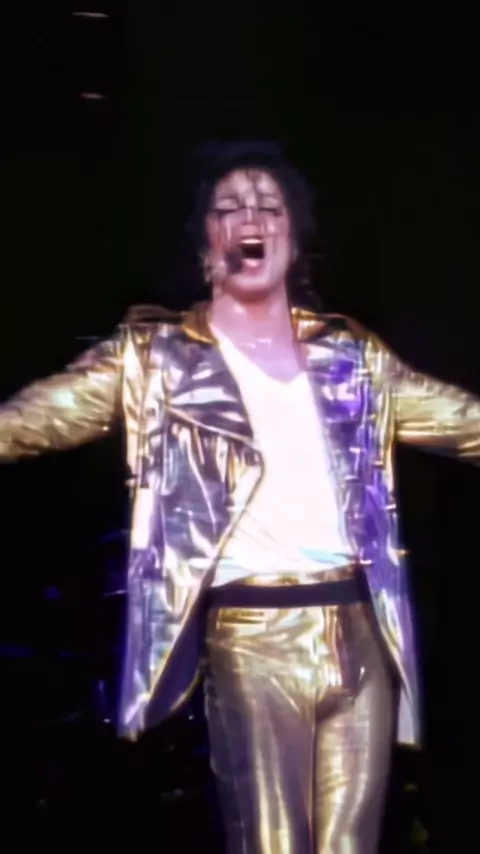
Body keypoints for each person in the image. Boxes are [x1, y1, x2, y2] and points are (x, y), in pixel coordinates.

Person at [1, 140, 479, 854]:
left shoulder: (350, 359)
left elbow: (464, 421)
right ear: (207, 247)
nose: (251, 217)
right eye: (229, 208)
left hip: (359, 630)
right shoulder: (156, 358)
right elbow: (33, 419)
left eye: (269, 207)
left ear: (294, 239)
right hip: (253, 636)